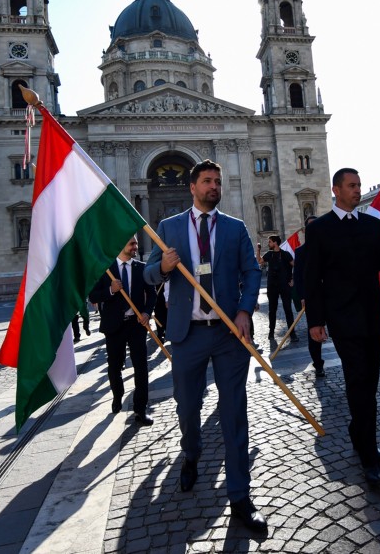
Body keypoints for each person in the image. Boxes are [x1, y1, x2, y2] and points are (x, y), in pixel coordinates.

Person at [143, 159, 267, 533]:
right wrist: (163, 266)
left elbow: (252, 270)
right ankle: (191, 454)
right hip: (187, 335)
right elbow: (149, 275)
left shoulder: (235, 228)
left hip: (229, 333)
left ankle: (240, 496)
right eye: (208, 181)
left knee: (234, 412)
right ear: (193, 186)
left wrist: (246, 310)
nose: (215, 186)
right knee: (187, 407)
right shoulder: (169, 227)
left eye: (218, 181)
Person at [303, 168, 380, 486]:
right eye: (351, 186)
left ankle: (359, 431)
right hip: (342, 320)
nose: (357, 191)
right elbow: (311, 279)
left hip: (372, 316)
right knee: (357, 381)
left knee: (369, 382)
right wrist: (315, 320)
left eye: (358, 185)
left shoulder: (373, 225)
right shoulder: (321, 230)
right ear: (336, 190)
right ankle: (368, 455)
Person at [90, 235, 157, 424]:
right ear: (121, 245)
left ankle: (140, 409)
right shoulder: (106, 270)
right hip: (114, 326)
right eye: (132, 243)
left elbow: (151, 295)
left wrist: (146, 312)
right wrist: (110, 290)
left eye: (136, 243)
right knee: (115, 366)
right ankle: (117, 395)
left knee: (141, 367)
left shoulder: (141, 268)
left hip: (136, 325)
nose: (136, 246)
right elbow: (93, 295)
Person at [292, 215, 324, 378]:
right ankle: (318, 364)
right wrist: (302, 296)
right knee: (315, 333)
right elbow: (297, 277)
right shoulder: (301, 252)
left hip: (331, 297)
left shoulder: (329, 247)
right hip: (312, 298)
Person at [258, 235, 296, 342]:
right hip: (272, 286)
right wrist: (258, 250)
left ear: (275, 243)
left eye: (270, 242)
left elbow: (295, 265)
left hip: (284, 285)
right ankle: (271, 333)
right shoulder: (269, 254)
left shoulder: (285, 254)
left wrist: (293, 278)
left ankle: (292, 333)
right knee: (272, 310)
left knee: (288, 309)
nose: (268, 244)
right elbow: (260, 261)